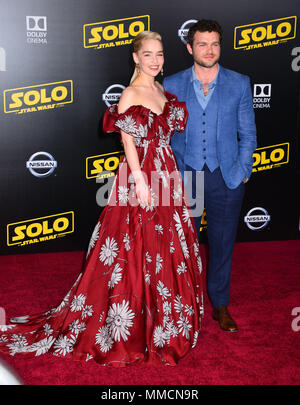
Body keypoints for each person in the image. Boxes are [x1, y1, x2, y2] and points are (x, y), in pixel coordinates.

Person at [0, 31, 203, 366]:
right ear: (136, 57)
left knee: (166, 248)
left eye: (160, 54)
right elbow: (127, 142)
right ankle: (131, 324)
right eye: (148, 54)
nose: (155, 60)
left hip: (168, 174)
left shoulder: (161, 91)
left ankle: (165, 321)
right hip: (141, 176)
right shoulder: (130, 94)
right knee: (131, 247)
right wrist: (139, 182)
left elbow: (164, 139)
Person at [163, 19, 257, 332]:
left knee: (222, 244)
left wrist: (242, 171)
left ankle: (220, 305)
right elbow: (165, 134)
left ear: (220, 46)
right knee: (183, 246)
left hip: (226, 178)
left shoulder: (239, 82)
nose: (209, 49)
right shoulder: (172, 84)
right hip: (186, 174)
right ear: (190, 47)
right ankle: (185, 306)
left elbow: (248, 132)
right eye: (202, 44)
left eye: (215, 43)